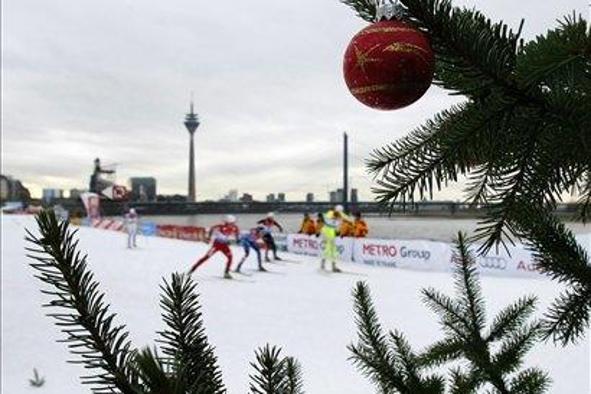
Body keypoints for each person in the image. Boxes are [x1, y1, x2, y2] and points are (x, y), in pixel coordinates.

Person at [189, 215, 240, 279]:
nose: (232, 224)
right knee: (206, 257)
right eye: (231, 223)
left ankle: (226, 273)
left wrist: (237, 239)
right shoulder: (220, 227)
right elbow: (211, 229)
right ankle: (192, 270)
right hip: (216, 245)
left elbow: (237, 233)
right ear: (227, 222)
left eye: (233, 223)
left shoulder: (234, 227)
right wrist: (208, 238)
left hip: (224, 246)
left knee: (230, 257)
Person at [320, 205, 352, 272]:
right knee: (331, 248)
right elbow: (325, 217)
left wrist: (351, 220)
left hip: (329, 231)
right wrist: (333, 216)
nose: (338, 214)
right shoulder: (331, 213)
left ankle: (324, 263)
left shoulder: (340, 214)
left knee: (330, 248)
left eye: (339, 212)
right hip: (328, 230)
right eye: (337, 212)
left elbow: (347, 218)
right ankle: (332, 265)